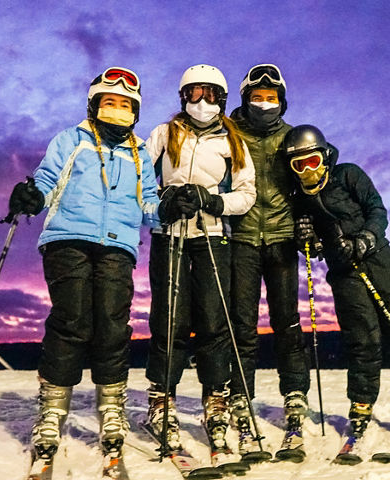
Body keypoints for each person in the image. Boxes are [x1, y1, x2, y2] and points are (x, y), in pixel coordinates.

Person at [6, 67, 159, 460]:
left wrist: (170, 207)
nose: (118, 109)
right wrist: (32, 197)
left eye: (126, 104)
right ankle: (53, 411)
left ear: (136, 111)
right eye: (110, 102)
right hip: (68, 240)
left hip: (118, 245)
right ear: (94, 105)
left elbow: (151, 206)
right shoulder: (71, 139)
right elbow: (47, 179)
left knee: (111, 323)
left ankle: (111, 408)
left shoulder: (141, 153)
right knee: (71, 321)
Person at [283, 125, 390, 437]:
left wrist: (364, 239)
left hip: (378, 260)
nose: (308, 170)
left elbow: (377, 210)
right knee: (362, 339)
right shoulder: (300, 200)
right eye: (300, 165)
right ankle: (362, 403)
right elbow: (309, 247)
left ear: (324, 157)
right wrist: (308, 241)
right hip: (344, 273)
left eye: (313, 161)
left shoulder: (349, 175)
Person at [143, 64, 256, 455]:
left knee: (213, 318)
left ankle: (215, 397)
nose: (202, 101)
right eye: (194, 94)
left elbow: (247, 193)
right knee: (170, 317)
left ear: (222, 99)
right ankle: (161, 398)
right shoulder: (163, 134)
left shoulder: (234, 141)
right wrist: (162, 205)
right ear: (182, 97)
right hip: (170, 234)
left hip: (212, 235)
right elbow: (140, 185)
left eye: (210, 94)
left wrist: (213, 201)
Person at [227, 64, 310, 437]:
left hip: (281, 238)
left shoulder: (293, 136)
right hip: (241, 238)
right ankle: (240, 395)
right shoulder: (227, 134)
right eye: (257, 98)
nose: (264, 104)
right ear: (245, 100)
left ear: (282, 101)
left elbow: (312, 183)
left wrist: (309, 223)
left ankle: (295, 392)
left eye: (271, 98)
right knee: (242, 324)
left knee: (287, 323)